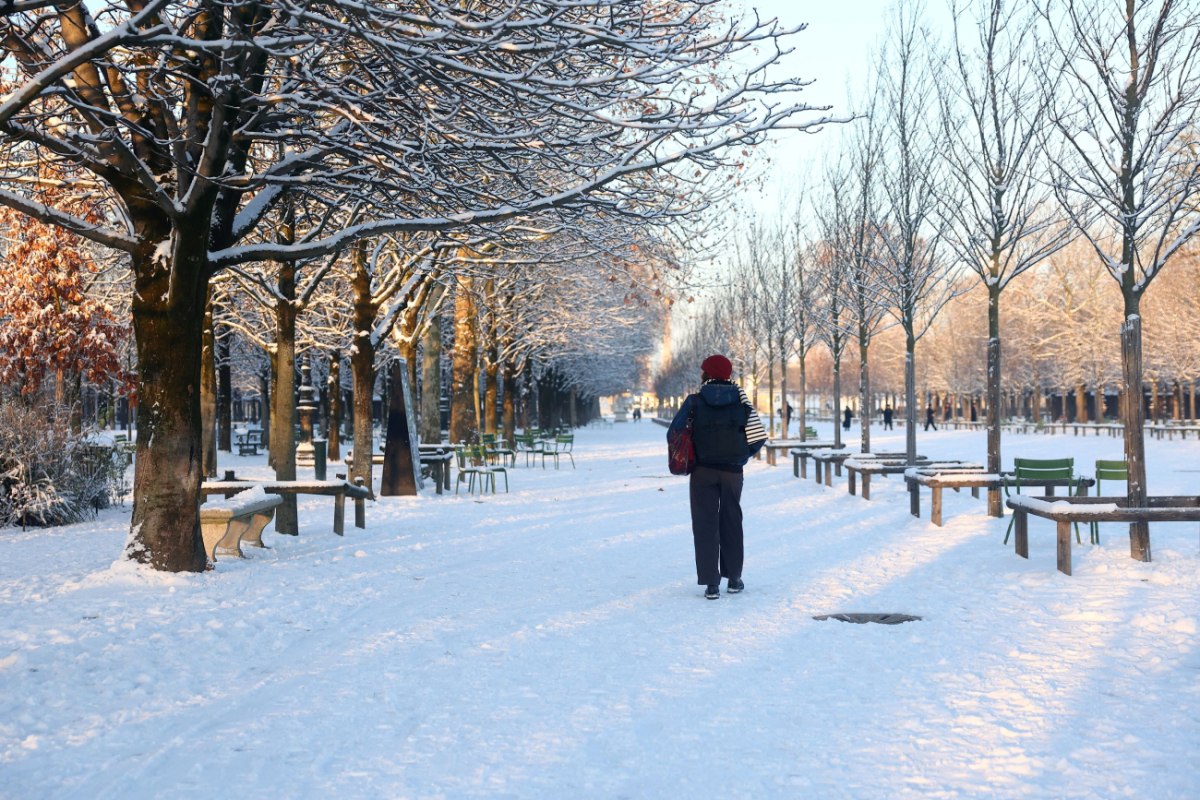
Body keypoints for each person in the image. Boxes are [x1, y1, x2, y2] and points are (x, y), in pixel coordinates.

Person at [667, 354, 767, 600]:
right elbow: (758, 436)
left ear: (705, 374)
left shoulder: (694, 402)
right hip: (733, 472)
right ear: (729, 374)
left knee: (705, 523)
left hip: (702, 471)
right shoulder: (742, 402)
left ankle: (711, 584)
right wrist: (742, 455)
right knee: (732, 521)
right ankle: (734, 579)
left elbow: (674, 432)